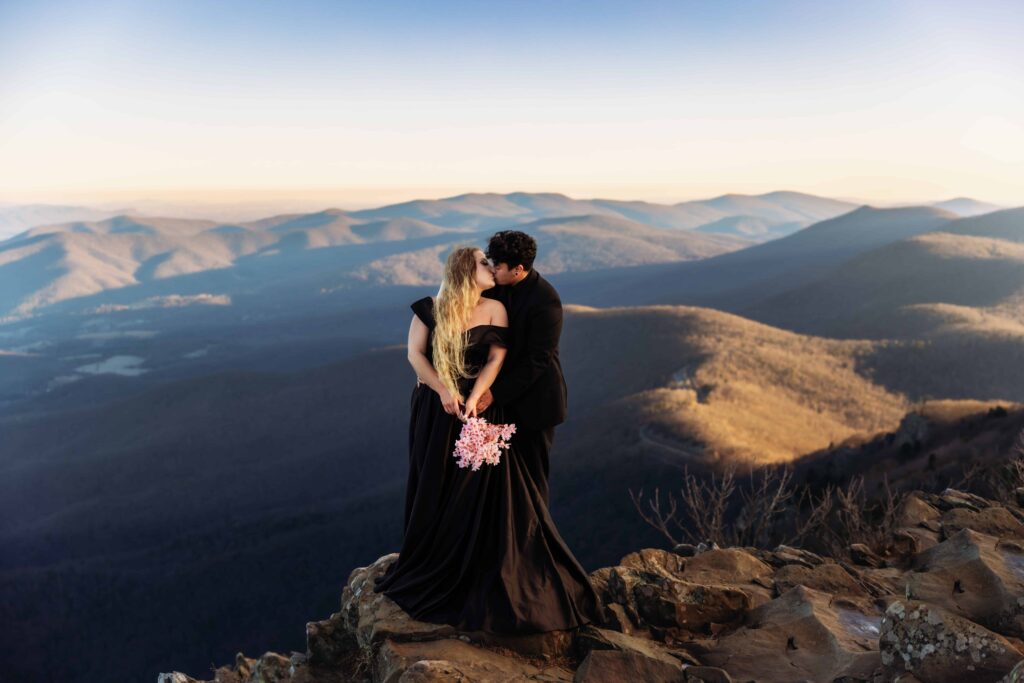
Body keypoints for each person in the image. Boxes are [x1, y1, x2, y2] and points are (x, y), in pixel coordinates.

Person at [372, 243, 602, 635]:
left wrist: (477, 396)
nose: (491, 268)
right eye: (483, 262)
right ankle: (435, 555)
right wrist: (445, 391)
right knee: (436, 479)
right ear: (465, 269)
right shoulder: (430, 306)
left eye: (493, 263)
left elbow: (496, 357)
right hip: (436, 406)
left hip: (480, 406)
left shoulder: (498, 307)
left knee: (482, 488)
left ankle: (481, 561)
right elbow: (414, 354)